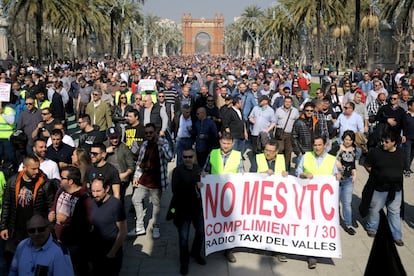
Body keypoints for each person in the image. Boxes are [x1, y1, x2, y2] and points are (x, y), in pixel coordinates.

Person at [0, 154, 55, 271]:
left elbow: (51, 207)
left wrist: (49, 228)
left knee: (34, 263)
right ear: (24, 167)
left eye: (38, 168)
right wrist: (3, 226)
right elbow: (7, 205)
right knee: (11, 260)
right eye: (33, 168)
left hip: (35, 230)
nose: (37, 171)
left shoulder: (45, 183)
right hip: (15, 229)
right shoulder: (13, 181)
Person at [296, 136, 341, 269]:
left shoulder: (331, 160)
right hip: (308, 198)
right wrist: (304, 174)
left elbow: (335, 176)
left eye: (319, 145)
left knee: (321, 226)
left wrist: (338, 176)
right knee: (310, 226)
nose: (317, 147)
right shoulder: (306, 156)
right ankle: (311, 256)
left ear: (324, 145)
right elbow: (298, 172)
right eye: (315, 145)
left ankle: (320, 249)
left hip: (324, 201)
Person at [202, 132, 244, 263]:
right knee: (213, 221)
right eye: (223, 143)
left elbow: (241, 173)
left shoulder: (238, 156)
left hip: (230, 195)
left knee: (229, 223)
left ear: (232, 143)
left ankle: (228, 250)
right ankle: (210, 245)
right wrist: (203, 174)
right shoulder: (213, 153)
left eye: (228, 143)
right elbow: (206, 169)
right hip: (214, 193)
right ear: (220, 142)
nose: (226, 146)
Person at [130, 123, 173, 238]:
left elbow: (170, 157)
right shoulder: (144, 144)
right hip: (144, 178)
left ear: (155, 132)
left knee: (156, 205)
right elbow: (140, 161)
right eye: (147, 133)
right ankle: (139, 226)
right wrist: (136, 176)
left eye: (151, 132)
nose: (149, 135)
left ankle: (156, 227)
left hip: (157, 180)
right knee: (135, 199)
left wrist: (163, 145)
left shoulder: (163, 142)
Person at [48, 166, 91, 275]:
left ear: (71, 181)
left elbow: (86, 223)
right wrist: (52, 212)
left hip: (74, 244)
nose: (60, 179)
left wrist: (67, 219)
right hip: (57, 240)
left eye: (62, 178)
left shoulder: (84, 198)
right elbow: (54, 205)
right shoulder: (60, 190)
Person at [364, 131, 404, 246]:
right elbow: (367, 164)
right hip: (379, 188)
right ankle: (372, 227)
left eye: (387, 142)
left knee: (394, 212)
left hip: (395, 189)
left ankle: (396, 235)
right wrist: (375, 175)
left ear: (394, 143)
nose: (384, 144)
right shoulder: (376, 152)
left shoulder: (400, 154)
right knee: (375, 208)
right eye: (383, 141)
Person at [171, 148, 206, 275]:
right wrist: (194, 185)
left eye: (190, 157)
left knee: (201, 232)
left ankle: (195, 253)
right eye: (185, 157)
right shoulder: (177, 171)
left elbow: (207, 184)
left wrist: (206, 179)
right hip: (183, 210)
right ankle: (184, 262)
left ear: (194, 157)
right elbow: (176, 190)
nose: (187, 159)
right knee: (183, 238)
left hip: (197, 208)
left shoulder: (199, 169)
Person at [9, 214, 74, 276]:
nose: (36, 233)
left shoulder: (59, 252)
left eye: (41, 229)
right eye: (31, 230)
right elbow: (13, 272)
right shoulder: (22, 246)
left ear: (49, 228)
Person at [90, 176, 127, 276]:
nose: (95, 194)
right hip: (95, 252)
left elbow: (123, 231)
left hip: (110, 253)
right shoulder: (91, 202)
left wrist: (113, 252)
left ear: (107, 189)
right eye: (93, 191)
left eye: (98, 191)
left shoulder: (115, 205)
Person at [105, 127, 135, 204]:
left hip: (121, 179)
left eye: (116, 137)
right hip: (107, 177)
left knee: (118, 200)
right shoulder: (103, 146)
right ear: (108, 137)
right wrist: (105, 152)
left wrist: (125, 174)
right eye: (112, 138)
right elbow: (94, 159)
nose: (115, 140)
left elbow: (131, 166)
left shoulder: (124, 148)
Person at [336, 130, 357, 235]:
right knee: (335, 202)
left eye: (350, 140)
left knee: (347, 203)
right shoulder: (337, 148)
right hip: (337, 179)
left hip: (348, 179)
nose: (348, 141)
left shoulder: (354, 150)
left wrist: (355, 174)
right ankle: (334, 222)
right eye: (346, 139)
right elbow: (329, 159)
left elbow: (353, 164)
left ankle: (348, 225)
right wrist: (336, 165)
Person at [274, 96, 300, 171]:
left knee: (288, 151)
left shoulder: (295, 111)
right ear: (283, 102)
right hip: (280, 133)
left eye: (289, 102)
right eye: (286, 102)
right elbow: (274, 122)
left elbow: (297, 122)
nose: (287, 103)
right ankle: (279, 167)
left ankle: (286, 168)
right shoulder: (278, 110)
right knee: (280, 150)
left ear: (291, 103)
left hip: (290, 134)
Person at [402, 99, 414, 177]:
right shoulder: (405, 115)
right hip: (407, 138)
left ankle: (407, 167)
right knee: (407, 153)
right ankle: (406, 169)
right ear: (410, 106)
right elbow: (401, 126)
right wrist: (402, 135)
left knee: (412, 154)